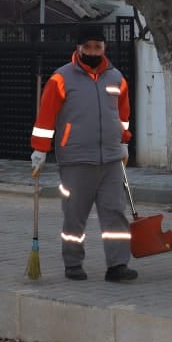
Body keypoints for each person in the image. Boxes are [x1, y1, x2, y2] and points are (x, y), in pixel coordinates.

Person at [29, 26, 136, 282]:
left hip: (110, 159)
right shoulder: (61, 79)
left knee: (115, 214)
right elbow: (46, 117)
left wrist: (124, 141)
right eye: (87, 47)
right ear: (78, 49)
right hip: (75, 159)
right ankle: (73, 263)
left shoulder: (116, 78)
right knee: (75, 216)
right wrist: (40, 149)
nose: (92, 52)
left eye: (97, 47)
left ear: (104, 48)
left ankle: (118, 264)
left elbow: (123, 116)